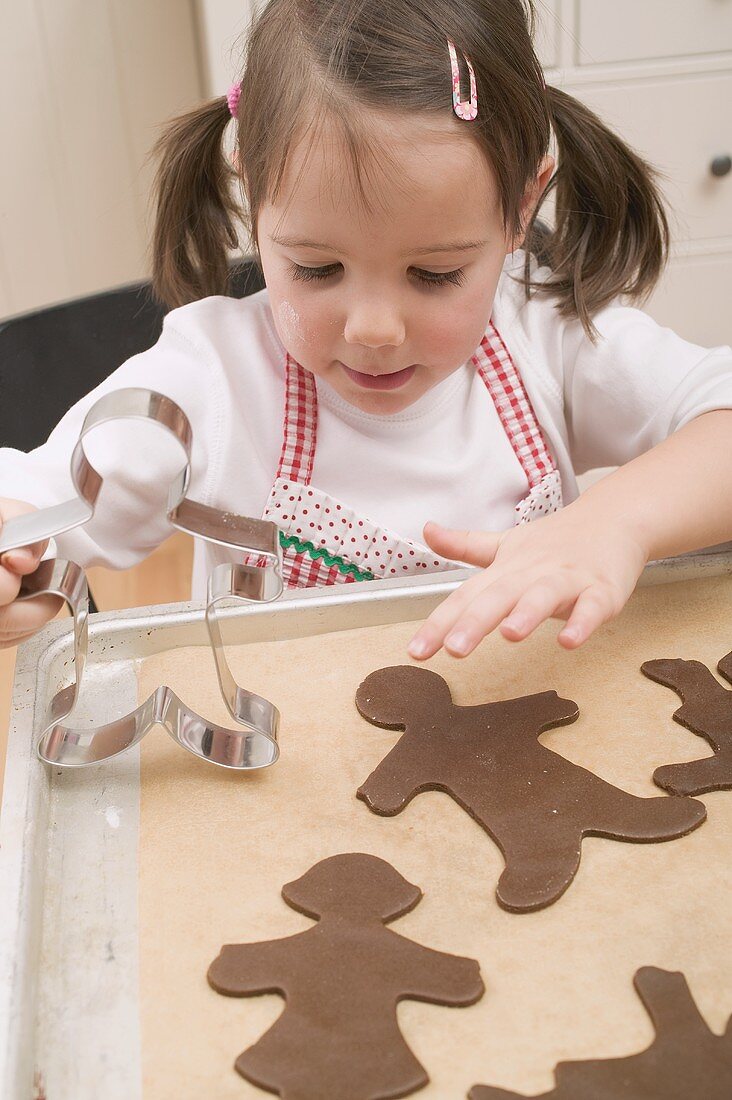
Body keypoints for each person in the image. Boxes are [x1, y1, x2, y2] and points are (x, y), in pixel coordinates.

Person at [1, 0, 731, 660]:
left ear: (520, 207)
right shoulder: (212, 380)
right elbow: (34, 497)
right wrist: (16, 555)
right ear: (252, 193)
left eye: (435, 275)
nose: (375, 330)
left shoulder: (548, 335)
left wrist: (615, 522)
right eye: (318, 269)